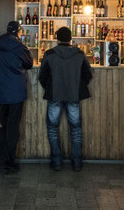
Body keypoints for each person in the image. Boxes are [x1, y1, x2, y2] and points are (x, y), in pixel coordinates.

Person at [38, 26, 92, 172]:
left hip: (55, 96)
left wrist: (50, 88)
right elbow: (88, 75)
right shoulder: (80, 54)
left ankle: (56, 162)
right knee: (76, 129)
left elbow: (42, 76)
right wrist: (76, 87)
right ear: (70, 39)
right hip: (73, 96)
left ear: (57, 39)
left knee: (52, 128)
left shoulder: (49, 54)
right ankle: (77, 163)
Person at [0, 21, 33, 174]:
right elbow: (29, 64)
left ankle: (2, 162)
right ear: (18, 31)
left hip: (0, 91)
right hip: (16, 92)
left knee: (4, 126)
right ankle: (9, 164)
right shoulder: (19, 46)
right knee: (13, 128)